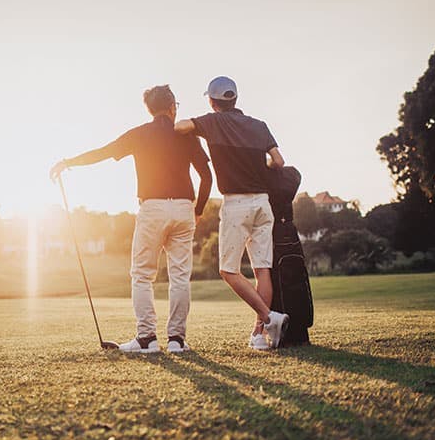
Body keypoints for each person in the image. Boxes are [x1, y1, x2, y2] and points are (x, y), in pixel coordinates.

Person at [50, 85, 212, 354]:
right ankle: (176, 341)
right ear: (173, 107)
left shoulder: (139, 134)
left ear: (149, 109)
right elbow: (207, 177)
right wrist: (198, 209)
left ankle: (147, 339)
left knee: (142, 275)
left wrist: (67, 162)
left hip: (152, 209)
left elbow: (103, 152)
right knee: (180, 277)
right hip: (184, 207)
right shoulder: (186, 135)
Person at [175, 76, 289, 350]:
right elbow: (279, 161)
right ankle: (259, 336)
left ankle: (268, 317)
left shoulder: (213, 122)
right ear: (235, 99)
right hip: (263, 203)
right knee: (263, 271)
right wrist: (260, 166)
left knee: (228, 271)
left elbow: (180, 127)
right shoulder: (259, 125)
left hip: (237, 204)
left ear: (213, 102)